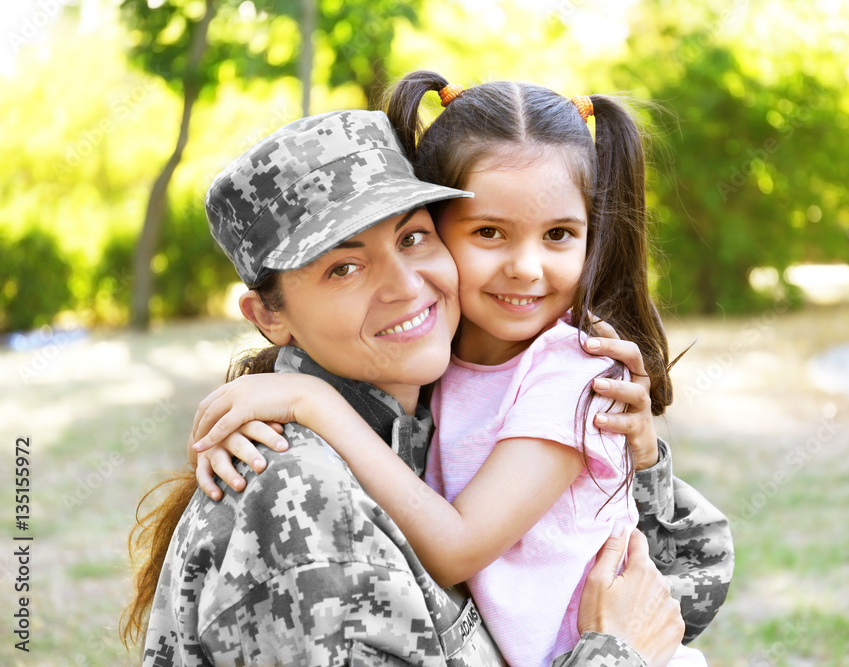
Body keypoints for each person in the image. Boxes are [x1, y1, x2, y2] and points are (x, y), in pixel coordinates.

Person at [122, 109, 713, 666]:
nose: (405, 286)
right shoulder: (302, 491)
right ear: (268, 316)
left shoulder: (427, 412)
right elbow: (642, 622)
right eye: (343, 268)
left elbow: (688, 586)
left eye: (411, 238)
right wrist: (616, 652)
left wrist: (636, 458)